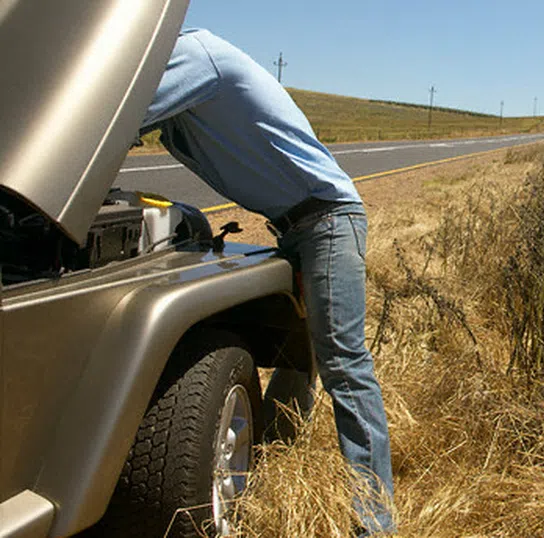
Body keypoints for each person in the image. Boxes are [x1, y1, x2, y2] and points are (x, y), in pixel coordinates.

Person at [141, 29, 395, 535]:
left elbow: (111, 119)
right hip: (297, 223)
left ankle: (376, 523)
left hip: (325, 220)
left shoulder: (191, 54)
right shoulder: (185, 64)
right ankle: (276, 456)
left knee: (345, 364)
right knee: (300, 348)